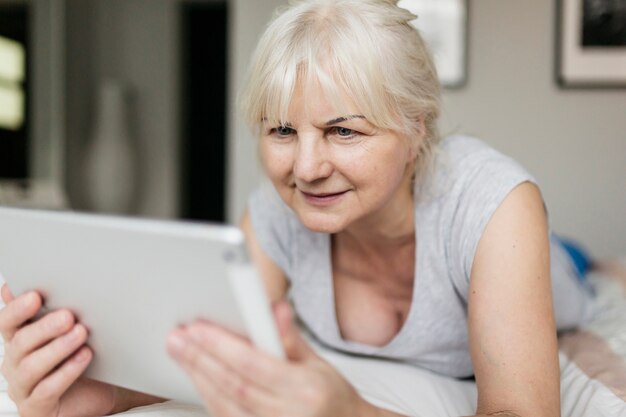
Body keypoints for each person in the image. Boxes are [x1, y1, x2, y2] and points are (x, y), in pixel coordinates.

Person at [0, 0, 603, 416]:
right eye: (282, 130)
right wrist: (96, 397)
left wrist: (353, 412)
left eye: (344, 131)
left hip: (549, 267)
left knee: (578, 271)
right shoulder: (277, 212)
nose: (306, 168)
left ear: (416, 129)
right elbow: (208, 353)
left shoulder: (496, 205)